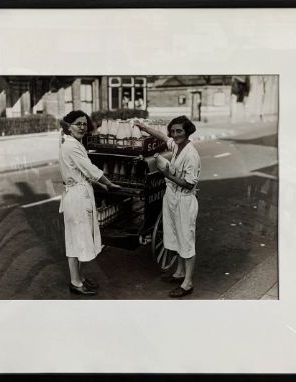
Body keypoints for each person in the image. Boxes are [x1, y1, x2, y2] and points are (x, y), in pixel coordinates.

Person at [135, 116, 201, 298]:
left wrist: (166, 174)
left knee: (186, 241)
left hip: (184, 200)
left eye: (179, 131)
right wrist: (143, 127)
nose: (174, 134)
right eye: (172, 131)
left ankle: (187, 283)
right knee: (177, 236)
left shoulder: (191, 154)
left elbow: (188, 184)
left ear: (187, 131)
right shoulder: (176, 147)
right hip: (172, 198)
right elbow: (161, 137)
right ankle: (179, 272)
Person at [59, 110, 121, 296]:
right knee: (76, 240)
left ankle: (79, 278)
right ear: (69, 126)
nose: (83, 127)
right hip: (77, 196)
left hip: (76, 193)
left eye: (85, 124)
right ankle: (76, 282)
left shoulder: (70, 143)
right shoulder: (72, 146)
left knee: (78, 239)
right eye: (78, 124)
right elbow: (90, 169)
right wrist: (109, 184)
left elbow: (84, 170)